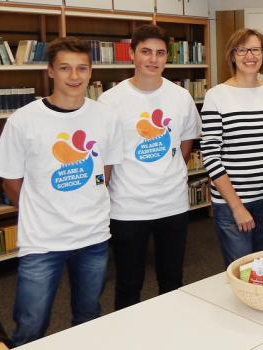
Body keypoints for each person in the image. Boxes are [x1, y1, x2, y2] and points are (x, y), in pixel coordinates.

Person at [0, 37, 123, 345]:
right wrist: (39, 211)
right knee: (31, 325)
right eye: (65, 68)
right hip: (42, 240)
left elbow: (106, 169)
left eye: (81, 68)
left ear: (90, 72)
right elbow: (10, 181)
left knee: (88, 317)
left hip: (93, 236)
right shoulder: (23, 120)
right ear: (50, 71)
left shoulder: (106, 117)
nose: (74, 76)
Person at [98, 24, 201, 310]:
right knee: (129, 283)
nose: (153, 59)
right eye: (146, 52)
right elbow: (105, 154)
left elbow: (187, 139)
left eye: (160, 53)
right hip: (128, 206)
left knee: (172, 279)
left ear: (167, 57)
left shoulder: (180, 96)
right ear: (132, 54)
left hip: (173, 203)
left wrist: (172, 168)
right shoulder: (110, 101)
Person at [200, 28, 263, 267]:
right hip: (232, 203)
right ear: (232, 55)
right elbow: (210, 156)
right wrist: (237, 207)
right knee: (241, 270)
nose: (249, 56)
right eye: (242, 50)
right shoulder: (216, 96)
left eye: (255, 50)